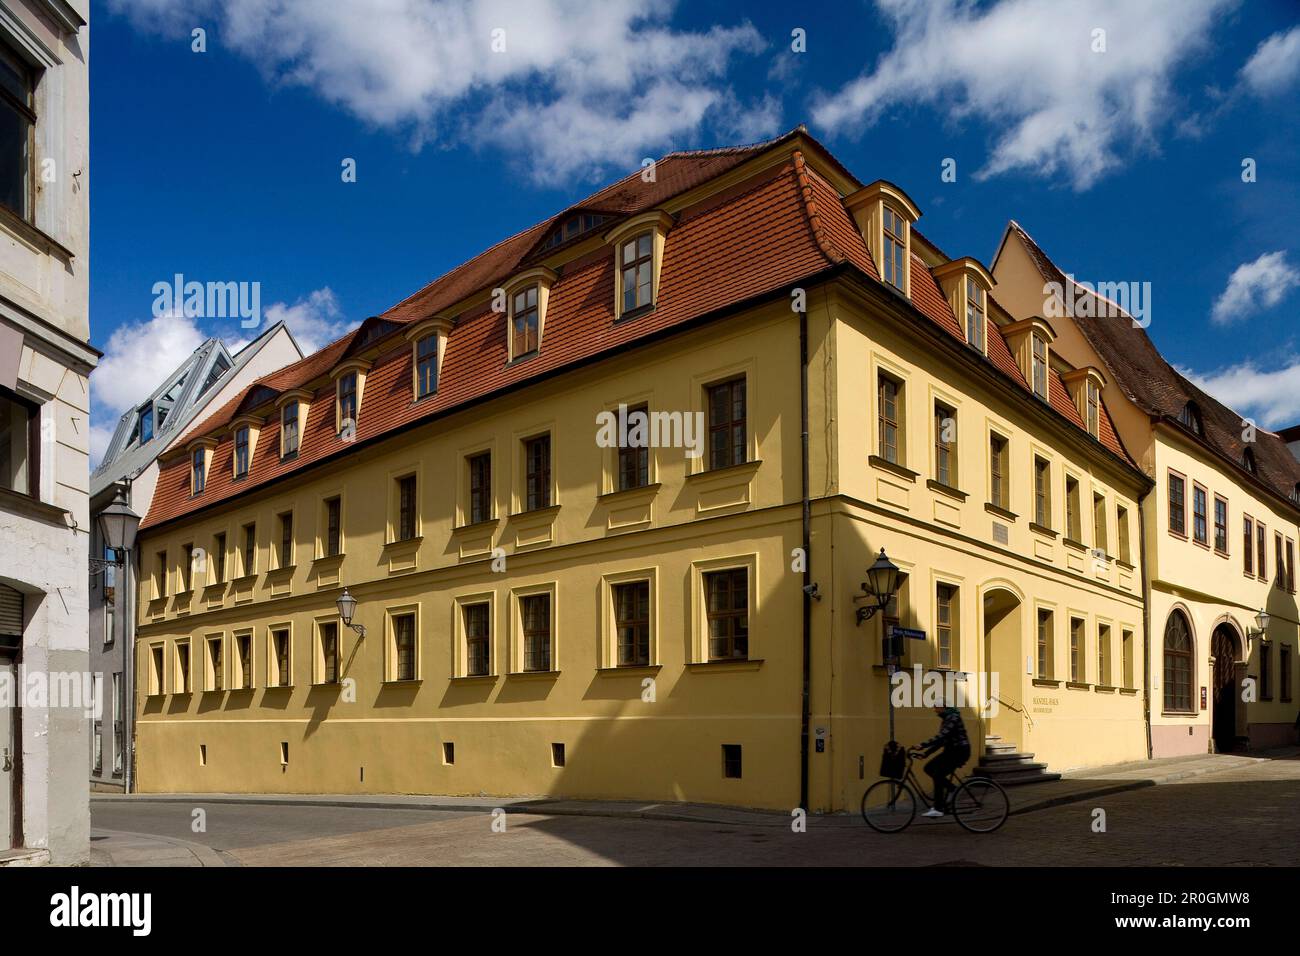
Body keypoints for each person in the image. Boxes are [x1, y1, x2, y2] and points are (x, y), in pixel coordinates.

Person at [912, 704, 970, 818]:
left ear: (944, 707)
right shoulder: (946, 719)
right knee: (928, 768)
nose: (934, 710)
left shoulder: (953, 717)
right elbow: (941, 742)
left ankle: (938, 808)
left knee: (938, 775)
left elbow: (941, 736)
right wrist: (926, 753)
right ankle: (952, 789)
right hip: (951, 751)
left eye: (936, 707)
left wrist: (923, 745)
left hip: (959, 752)